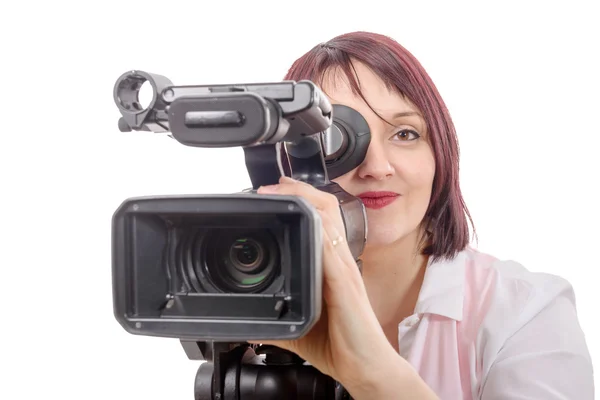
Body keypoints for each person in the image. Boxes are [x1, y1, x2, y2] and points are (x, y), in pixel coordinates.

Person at [252, 31, 595, 399]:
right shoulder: (252, 298)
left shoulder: (526, 312)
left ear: (439, 151)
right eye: (336, 141)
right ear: (288, 163)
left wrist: (373, 373)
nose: (377, 167)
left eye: (404, 133)